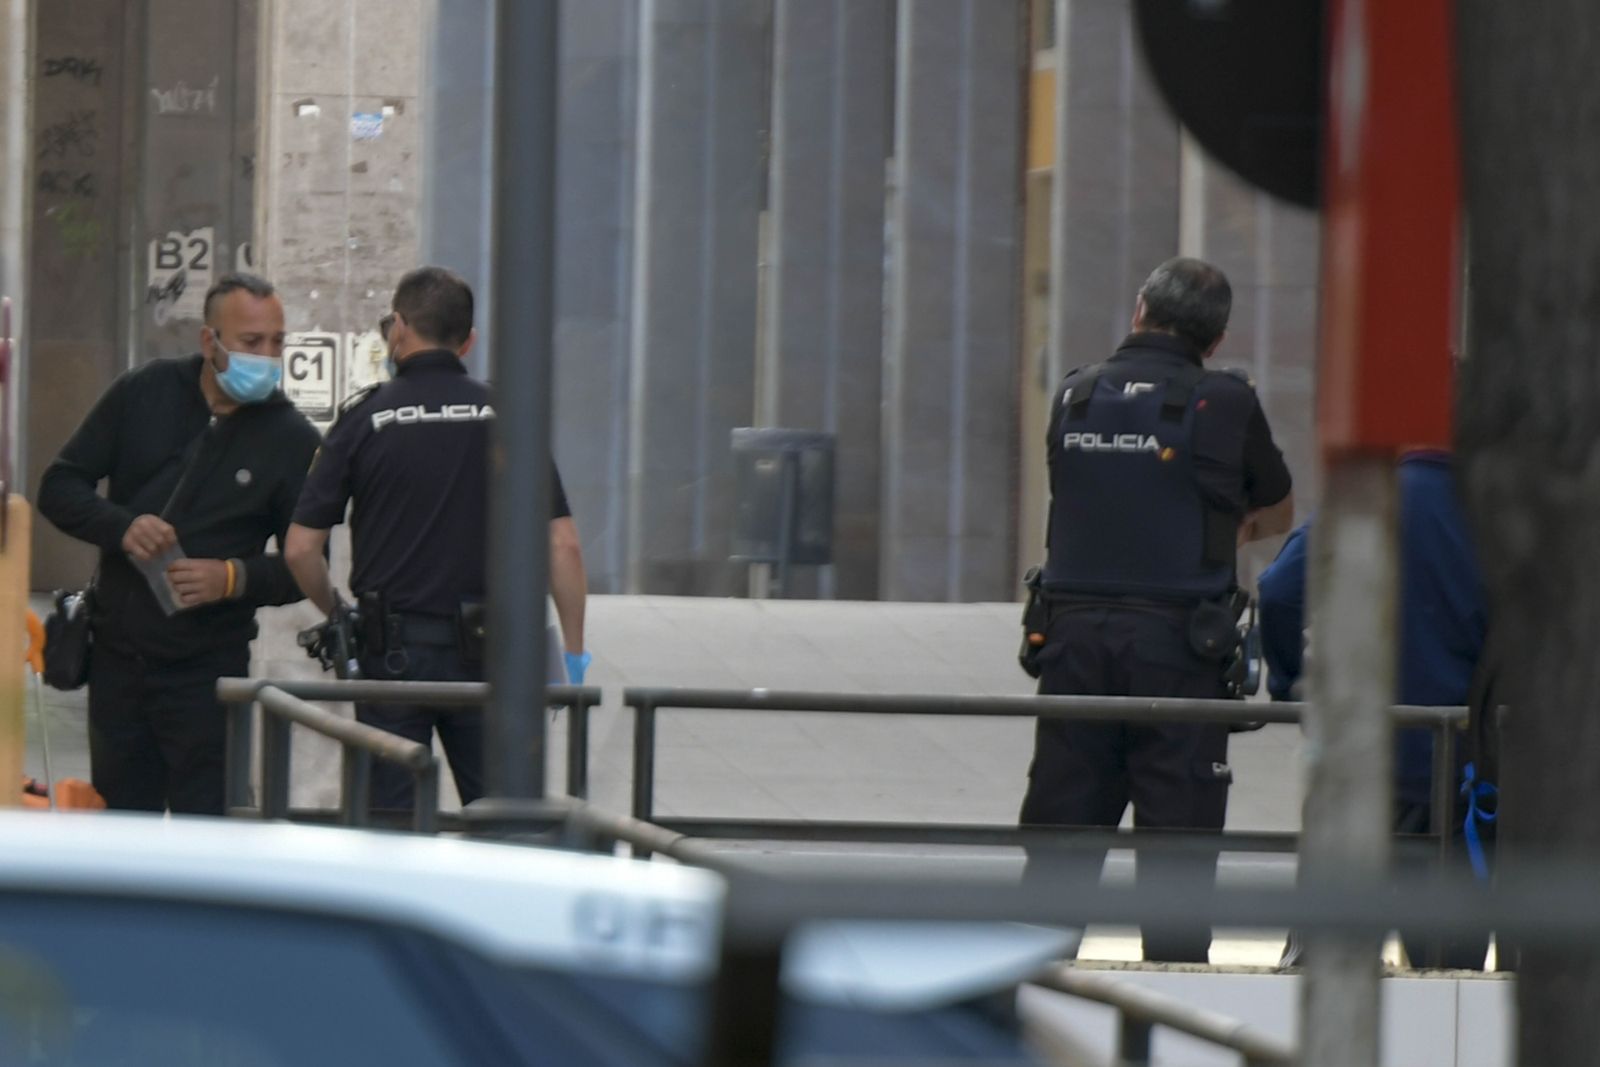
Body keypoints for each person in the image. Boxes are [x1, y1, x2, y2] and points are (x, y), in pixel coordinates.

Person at [1018, 256, 1294, 963]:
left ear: (1139, 309)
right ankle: (1175, 1011)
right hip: (1178, 656)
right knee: (1177, 857)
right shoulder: (1225, 402)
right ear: (1218, 336)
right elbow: (1277, 501)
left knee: (1058, 849)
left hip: (1072, 646)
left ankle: (1031, 993)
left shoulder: (1074, 396)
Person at [283, 266, 588, 810]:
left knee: (391, 830)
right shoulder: (510, 418)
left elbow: (301, 549)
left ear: (398, 328)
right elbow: (562, 545)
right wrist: (573, 652)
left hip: (392, 657)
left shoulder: (363, 419)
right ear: (468, 340)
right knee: (502, 821)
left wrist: (339, 613)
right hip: (492, 658)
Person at [37, 273, 321, 815]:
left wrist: (231, 577)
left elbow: (303, 567)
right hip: (119, 664)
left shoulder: (292, 440)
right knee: (121, 834)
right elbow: (59, 486)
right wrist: (121, 526)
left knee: (206, 839)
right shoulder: (143, 392)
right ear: (209, 341)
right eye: (250, 342)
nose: (266, 356)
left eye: (276, 342)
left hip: (209, 676)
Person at [1259, 449, 1491, 969]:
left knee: (1321, 971)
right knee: (1449, 985)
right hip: (1455, 777)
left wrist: (1290, 681)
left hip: (1354, 767)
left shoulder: (1367, 497)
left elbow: (1278, 593)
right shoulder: (1499, 516)